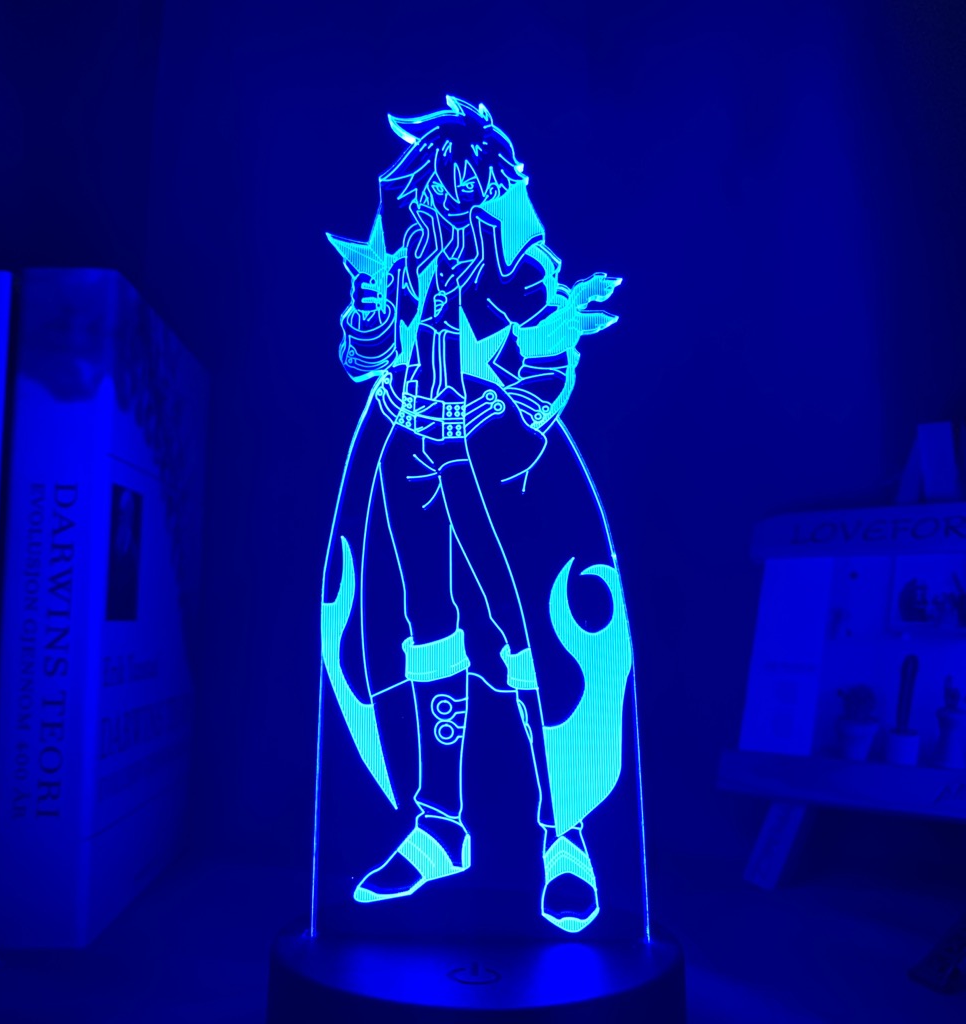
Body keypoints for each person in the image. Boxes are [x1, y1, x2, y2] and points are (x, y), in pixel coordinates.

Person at [322, 97, 633, 933]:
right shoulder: (404, 245)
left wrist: (519, 416)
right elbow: (362, 358)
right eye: (438, 178)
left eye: (466, 177)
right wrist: (368, 312)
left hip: (491, 453)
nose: (448, 190)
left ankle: (563, 836)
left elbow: (551, 338)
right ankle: (438, 826)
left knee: (524, 627)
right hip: (407, 441)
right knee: (426, 625)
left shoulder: (512, 236)